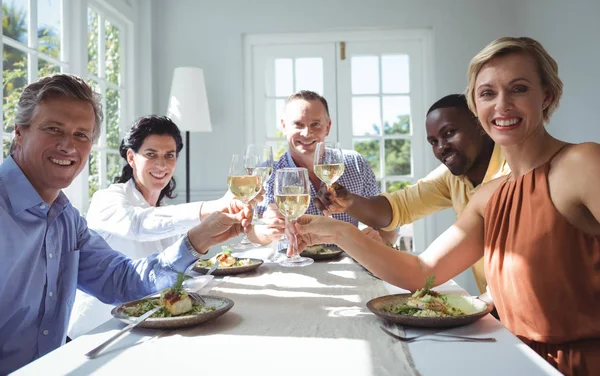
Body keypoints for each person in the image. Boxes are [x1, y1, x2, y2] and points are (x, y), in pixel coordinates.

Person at [291, 37, 600, 375]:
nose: (502, 105)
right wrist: (340, 231)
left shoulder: (582, 163)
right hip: (515, 358)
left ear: (547, 96)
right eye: (487, 94)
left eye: (519, 89)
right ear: (476, 107)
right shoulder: (489, 195)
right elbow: (422, 272)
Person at [0, 74, 252, 374]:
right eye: (54, 129)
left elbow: (124, 280)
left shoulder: (66, 219)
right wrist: (207, 211)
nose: (68, 146)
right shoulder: (106, 200)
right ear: (19, 132)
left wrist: (198, 241)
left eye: (82, 135)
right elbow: (139, 224)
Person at [68, 115, 250, 339]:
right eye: (151, 154)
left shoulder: (167, 209)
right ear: (131, 158)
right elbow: (141, 224)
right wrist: (213, 207)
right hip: (98, 331)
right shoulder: (107, 199)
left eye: (169, 156)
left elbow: (175, 272)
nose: (162, 165)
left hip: (149, 327)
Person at [315, 94, 509, 294]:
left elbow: (424, 270)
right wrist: (349, 201)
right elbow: (399, 207)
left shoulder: (512, 176)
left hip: (513, 311)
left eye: (450, 132)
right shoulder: (453, 177)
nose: (441, 147)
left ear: (481, 125)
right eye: (433, 141)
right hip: (496, 307)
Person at [251, 90, 397, 247]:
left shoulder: (355, 164)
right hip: (292, 264)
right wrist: (264, 232)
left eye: (315, 124)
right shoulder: (268, 173)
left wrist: (380, 242)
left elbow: (388, 227)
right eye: (298, 124)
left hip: (348, 263)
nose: (307, 133)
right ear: (284, 126)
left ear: (327, 127)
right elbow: (252, 233)